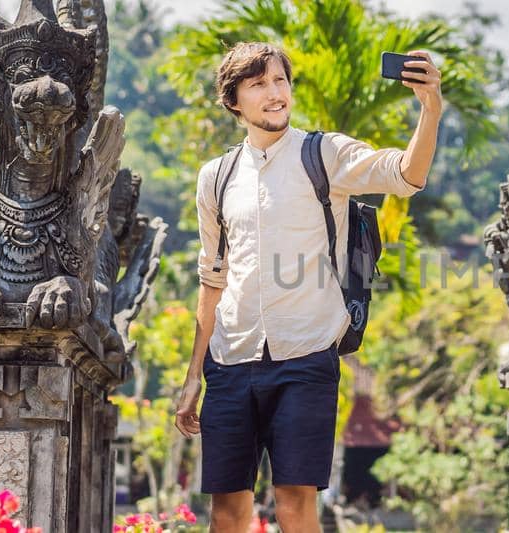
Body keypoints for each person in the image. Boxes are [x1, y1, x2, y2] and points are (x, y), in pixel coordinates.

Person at [171, 42, 442, 533]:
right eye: (258, 84)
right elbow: (212, 280)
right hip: (230, 359)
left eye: (280, 81)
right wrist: (194, 375)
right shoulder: (216, 177)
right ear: (234, 101)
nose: (275, 94)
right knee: (227, 511)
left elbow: (407, 175)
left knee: (296, 504)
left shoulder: (325, 154)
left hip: (306, 356)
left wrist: (430, 107)